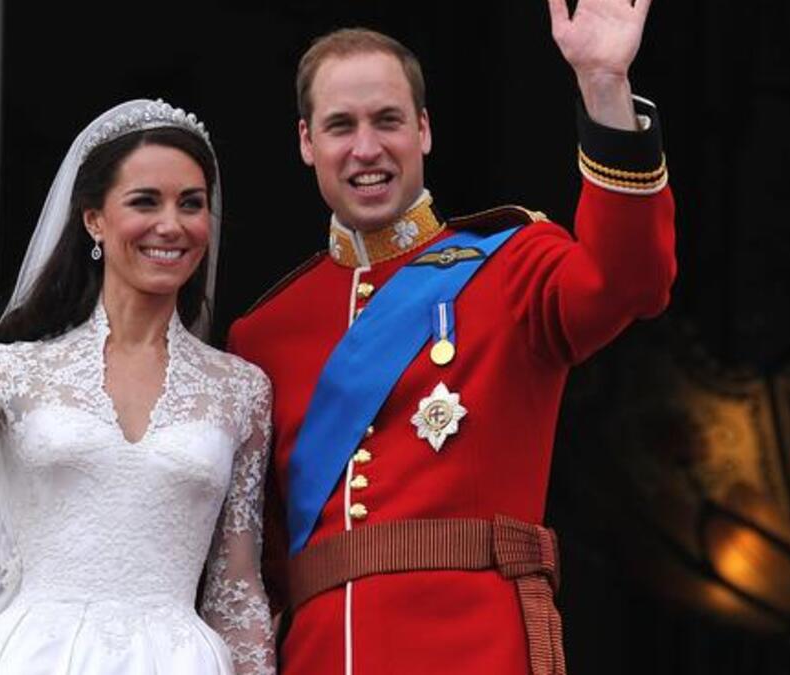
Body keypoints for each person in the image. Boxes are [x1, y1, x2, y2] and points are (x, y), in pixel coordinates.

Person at [227, 2, 674, 673]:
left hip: (472, 648)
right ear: (305, 141)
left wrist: (604, 85)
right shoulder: (263, 332)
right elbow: (253, 560)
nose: (366, 148)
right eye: (340, 126)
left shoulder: (512, 266)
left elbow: (630, 279)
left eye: (388, 120)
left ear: (425, 130)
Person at [0, 99, 275, 674]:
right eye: (144, 201)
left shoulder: (242, 391)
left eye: (191, 204)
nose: (171, 224)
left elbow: (237, 586)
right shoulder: (17, 369)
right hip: (36, 656)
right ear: (94, 220)